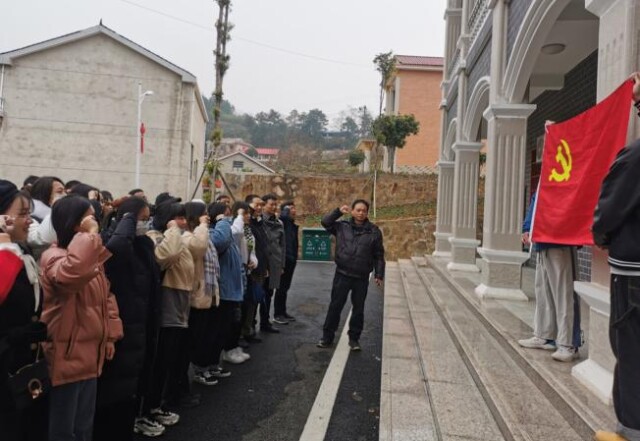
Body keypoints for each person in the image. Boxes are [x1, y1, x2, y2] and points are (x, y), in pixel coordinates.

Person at [40, 195, 124, 441]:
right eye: (88, 218)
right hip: (66, 354)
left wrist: (110, 336)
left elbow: (106, 297)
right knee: (64, 430)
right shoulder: (53, 256)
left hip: (90, 352)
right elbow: (70, 276)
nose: (93, 222)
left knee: (84, 426)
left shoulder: (90, 256)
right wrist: (90, 235)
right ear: (73, 223)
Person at [591, 72, 640, 441]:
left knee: (632, 349)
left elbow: (608, 210)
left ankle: (631, 430)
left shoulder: (635, 157)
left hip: (634, 275)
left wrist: (601, 236)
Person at [94, 197, 164, 439]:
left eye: (146, 219)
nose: (145, 223)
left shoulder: (143, 244)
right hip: (120, 326)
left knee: (131, 390)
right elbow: (115, 250)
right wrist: (127, 219)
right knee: (114, 393)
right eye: (141, 219)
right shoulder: (109, 240)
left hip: (141, 325)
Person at [0, 181, 48, 441]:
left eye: (30, 213)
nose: (30, 221)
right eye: (22, 214)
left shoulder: (20, 252)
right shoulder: (6, 254)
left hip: (22, 363)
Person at [518, 187, 582, 362]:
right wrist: (527, 227)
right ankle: (545, 336)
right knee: (543, 292)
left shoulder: (567, 174)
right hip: (541, 239)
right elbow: (536, 199)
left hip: (560, 238)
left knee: (564, 294)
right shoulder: (547, 176)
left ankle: (569, 343)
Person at [145, 200, 193, 427]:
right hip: (166, 305)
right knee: (160, 361)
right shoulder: (155, 236)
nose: (183, 222)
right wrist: (173, 229)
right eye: (178, 218)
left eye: (183, 218)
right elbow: (166, 256)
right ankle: (152, 407)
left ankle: (159, 404)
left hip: (179, 303)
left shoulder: (176, 236)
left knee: (170, 359)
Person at [317, 200, 385, 351]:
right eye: (358, 210)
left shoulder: (374, 231)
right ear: (352, 211)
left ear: (367, 213)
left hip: (361, 277)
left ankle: (354, 339)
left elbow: (379, 255)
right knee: (335, 306)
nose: (361, 213)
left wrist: (379, 274)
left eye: (364, 211)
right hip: (342, 274)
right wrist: (338, 212)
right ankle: (327, 337)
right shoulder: (342, 226)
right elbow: (325, 222)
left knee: (358, 309)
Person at [259, 193, 285, 333]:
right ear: (264, 206)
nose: (274, 207)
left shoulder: (279, 223)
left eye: (275, 204)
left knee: (269, 294)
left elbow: (283, 245)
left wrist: (282, 265)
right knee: (256, 295)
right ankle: (250, 325)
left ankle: (265, 322)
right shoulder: (258, 221)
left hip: (274, 263)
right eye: (271, 204)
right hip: (261, 264)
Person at [274, 201, 298, 324]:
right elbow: (283, 216)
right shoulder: (284, 222)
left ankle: (282, 312)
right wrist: (286, 209)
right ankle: (277, 314)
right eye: (291, 208)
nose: (294, 210)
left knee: (285, 288)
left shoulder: (291, 224)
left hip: (291, 259)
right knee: (281, 288)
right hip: (285, 260)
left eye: (294, 208)